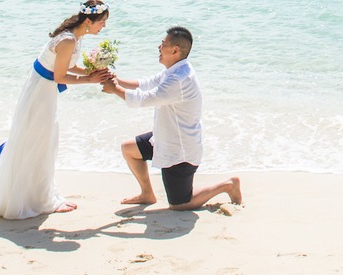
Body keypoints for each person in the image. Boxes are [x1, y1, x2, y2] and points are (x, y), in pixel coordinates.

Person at [0, 0, 113, 219]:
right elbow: (59, 76)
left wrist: (92, 72)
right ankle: (40, 200)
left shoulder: (74, 36)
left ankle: (38, 194)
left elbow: (66, 66)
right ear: (89, 21)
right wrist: (90, 79)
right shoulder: (68, 40)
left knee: (43, 141)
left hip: (42, 89)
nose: (104, 26)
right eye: (102, 21)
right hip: (40, 93)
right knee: (40, 141)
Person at [102, 26, 242, 210]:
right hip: (164, 138)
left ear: (175, 50)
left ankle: (227, 185)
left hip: (180, 152)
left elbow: (146, 99)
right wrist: (116, 80)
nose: (159, 47)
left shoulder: (179, 79)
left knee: (180, 205)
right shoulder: (175, 70)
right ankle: (147, 194)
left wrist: (114, 89)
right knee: (129, 149)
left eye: (163, 44)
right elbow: (146, 84)